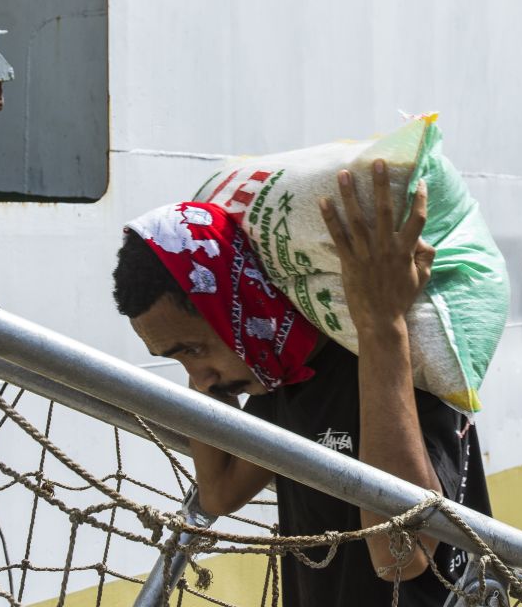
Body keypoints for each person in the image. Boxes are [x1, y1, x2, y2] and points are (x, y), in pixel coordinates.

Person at [112, 161, 491, 606]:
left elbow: (399, 555)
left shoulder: (392, 366)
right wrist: (208, 373)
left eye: (194, 349)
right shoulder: (284, 381)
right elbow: (219, 492)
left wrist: (382, 324)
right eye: (175, 358)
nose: (199, 378)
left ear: (241, 306)